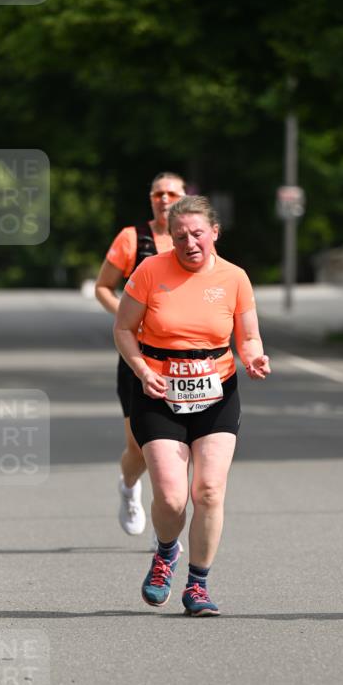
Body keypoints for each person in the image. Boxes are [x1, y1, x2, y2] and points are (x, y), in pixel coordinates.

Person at [114, 195, 270, 617]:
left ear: (214, 233)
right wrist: (142, 371)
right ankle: (166, 552)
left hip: (216, 392)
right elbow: (124, 328)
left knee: (209, 490)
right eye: (180, 235)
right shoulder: (150, 271)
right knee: (171, 497)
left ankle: (197, 585)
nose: (189, 243)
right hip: (157, 393)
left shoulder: (235, 278)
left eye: (197, 233)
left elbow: (248, 336)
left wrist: (253, 356)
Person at [95, 172, 186, 538]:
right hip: (138, 355)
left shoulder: (194, 238)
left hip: (183, 356)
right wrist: (126, 317)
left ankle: (166, 523)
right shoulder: (133, 237)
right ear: (151, 199)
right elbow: (103, 286)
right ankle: (129, 486)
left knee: (181, 444)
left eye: (171, 193)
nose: (164, 198)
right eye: (157, 193)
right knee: (139, 446)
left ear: (184, 197)